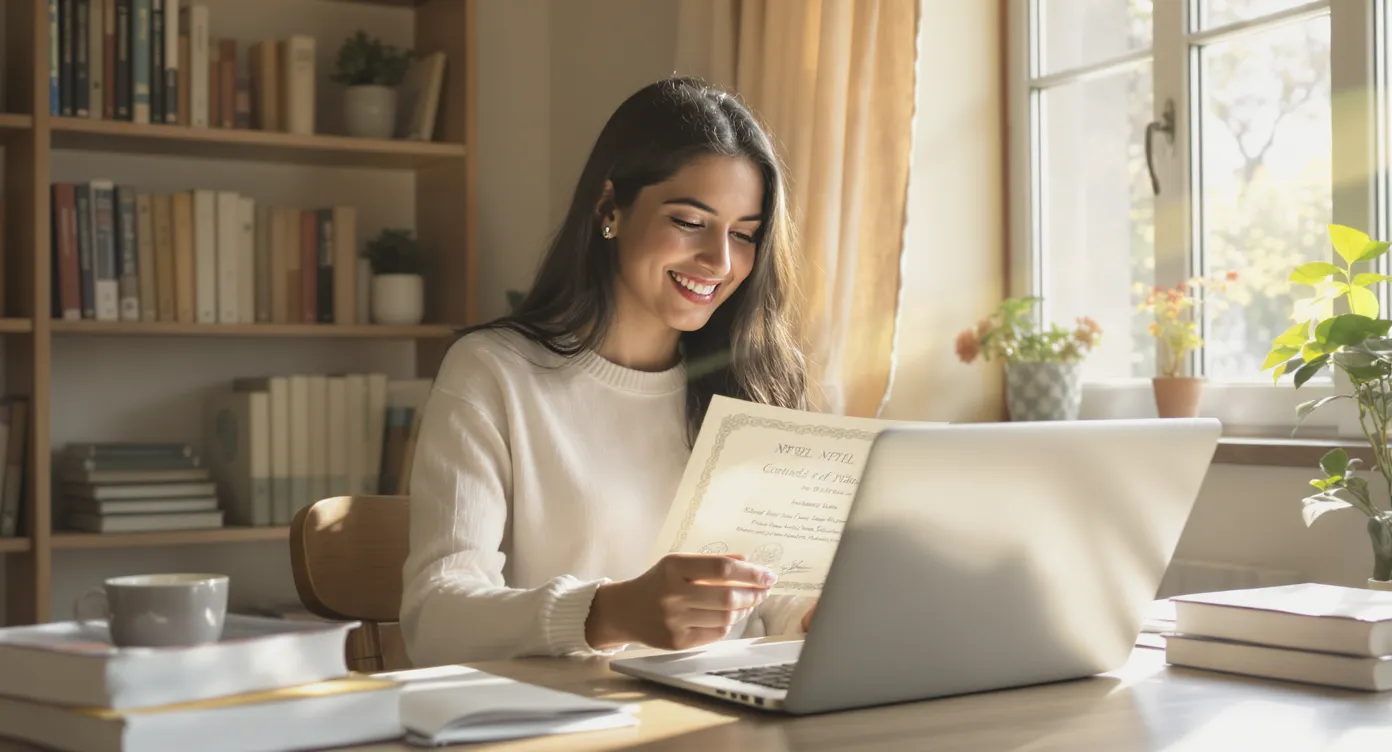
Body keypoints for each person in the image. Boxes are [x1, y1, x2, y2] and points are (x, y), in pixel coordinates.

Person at [400, 76, 817, 667]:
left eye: (745, 234)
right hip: (566, 723)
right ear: (609, 209)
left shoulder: (757, 386)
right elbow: (433, 618)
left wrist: (817, 615)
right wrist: (610, 612)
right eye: (690, 222)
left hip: (721, 720)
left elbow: (776, 597)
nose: (720, 262)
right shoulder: (494, 373)